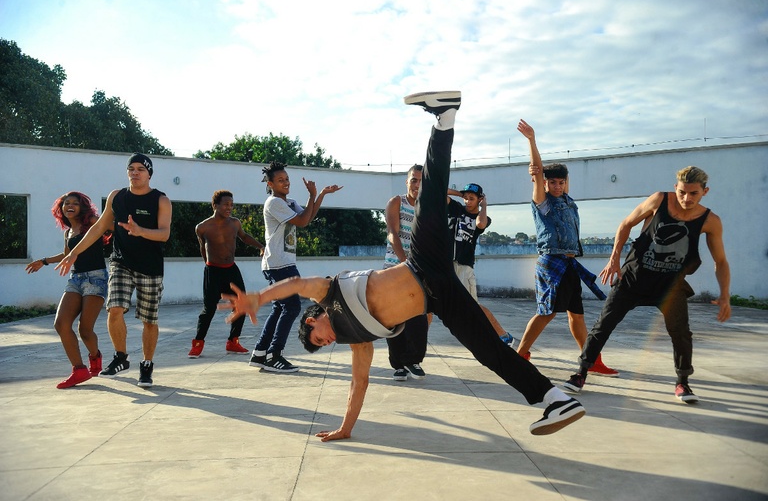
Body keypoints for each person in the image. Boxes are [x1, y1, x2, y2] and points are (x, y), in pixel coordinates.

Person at [221, 91, 585, 441]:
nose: (328, 340)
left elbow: (297, 285)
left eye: (319, 337)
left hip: (422, 262)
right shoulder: (358, 340)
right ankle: (555, 399)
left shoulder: (326, 294)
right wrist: (346, 427)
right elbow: (358, 384)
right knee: (487, 350)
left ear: (313, 319)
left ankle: (444, 119)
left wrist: (259, 298)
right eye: (324, 344)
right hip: (439, 298)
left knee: (428, 195)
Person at [562, 166, 731, 404]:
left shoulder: (710, 221)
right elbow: (626, 224)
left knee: (681, 333)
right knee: (604, 325)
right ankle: (580, 374)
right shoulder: (659, 200)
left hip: (670, 287)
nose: (687, 198)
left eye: (693, 193)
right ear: (676, 188)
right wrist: (614, 259)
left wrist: (725, 294)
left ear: (705, 191)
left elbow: (721, 261)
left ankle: (683, 382)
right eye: (682, 192)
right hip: (633, 278)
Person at [57, 153, 172, 388]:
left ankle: (147, 364)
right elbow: (99, 227)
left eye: (141, 168)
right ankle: (121, 357)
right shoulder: (116, 197)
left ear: (149, 173)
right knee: (115, 308)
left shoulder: (161, 200)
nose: (135, 172)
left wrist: (141, 231)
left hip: (150, 267)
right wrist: (74, 252)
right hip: (121, 262)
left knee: (149, 320)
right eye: (131, 168)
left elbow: (164, 234)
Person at [514, 120, 618, 377]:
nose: (557, 186)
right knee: (546, 313)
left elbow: (557, 176)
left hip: (570, 263)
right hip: (551, 263)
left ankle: (590, 359)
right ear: (546, 184)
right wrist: (531, 141)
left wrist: (558, 175)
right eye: (553, 183)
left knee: (577, 315)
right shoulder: (543, 203)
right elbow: (538, 172)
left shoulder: (568, 200)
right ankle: (520, 355)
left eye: (561, 182)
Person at [248, 161, 342, 373]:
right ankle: (274, 355)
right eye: (280, 180)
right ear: (270, 183)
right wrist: (313, 196)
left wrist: (320, 195)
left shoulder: (288, 202)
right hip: (279, 263)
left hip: (282, 262)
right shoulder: (274, 203)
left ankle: (261, 353)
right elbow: (301, 221)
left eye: (287, 179)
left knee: (280, 307)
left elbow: (307, 218)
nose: (286, 183)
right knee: (291, 307)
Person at [26, 192, 108, 389]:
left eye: (75, 203)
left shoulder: (93, 222)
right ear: (61, 209)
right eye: (66, 203)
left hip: (96, 278)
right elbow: (67, 255)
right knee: (61, 324)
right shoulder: (68, 232)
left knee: (85, 329)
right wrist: (44, 261)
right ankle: (79, 370)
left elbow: (111, 227)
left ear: (82, 207)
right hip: (76, 279)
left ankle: (95, 357)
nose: (70, 206)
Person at [189, 190, 265, 358]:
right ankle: (198, 343)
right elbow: (203, 247)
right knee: (208, 310)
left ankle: (233, 342)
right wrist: (208, 266)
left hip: (231, 269)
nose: (229, 207)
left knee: (242, 304)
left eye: (231, 204)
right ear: (215, 205)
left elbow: (244, 237)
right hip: (213, 271)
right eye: (225, 204)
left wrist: (261, 246)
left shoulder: (235, 223)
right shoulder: (202, 227)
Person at [446, 183, 517, 346]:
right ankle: (478, 336)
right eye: (466, 198)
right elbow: (439, 189)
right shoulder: (456, 209)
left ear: (479, 199)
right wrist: (460, 193)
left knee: (473, 307)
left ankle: (504, 336)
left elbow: (480, 225)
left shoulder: (482, 217)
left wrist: (484, 206)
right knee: (454, 306)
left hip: (464, 266)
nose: (467, 202)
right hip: (448, 263)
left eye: (472, 199)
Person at [383, 165, 430, 381]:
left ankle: (413, 359)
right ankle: (398, 365)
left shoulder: (427, 206)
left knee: (418, 316)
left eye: (421, 181)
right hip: (395, 268)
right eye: (414, 180)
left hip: (418, 269)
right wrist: (405, 263)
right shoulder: (396, 202)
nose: (417, 185)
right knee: (394, 319)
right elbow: (393, 234)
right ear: (407, 182)